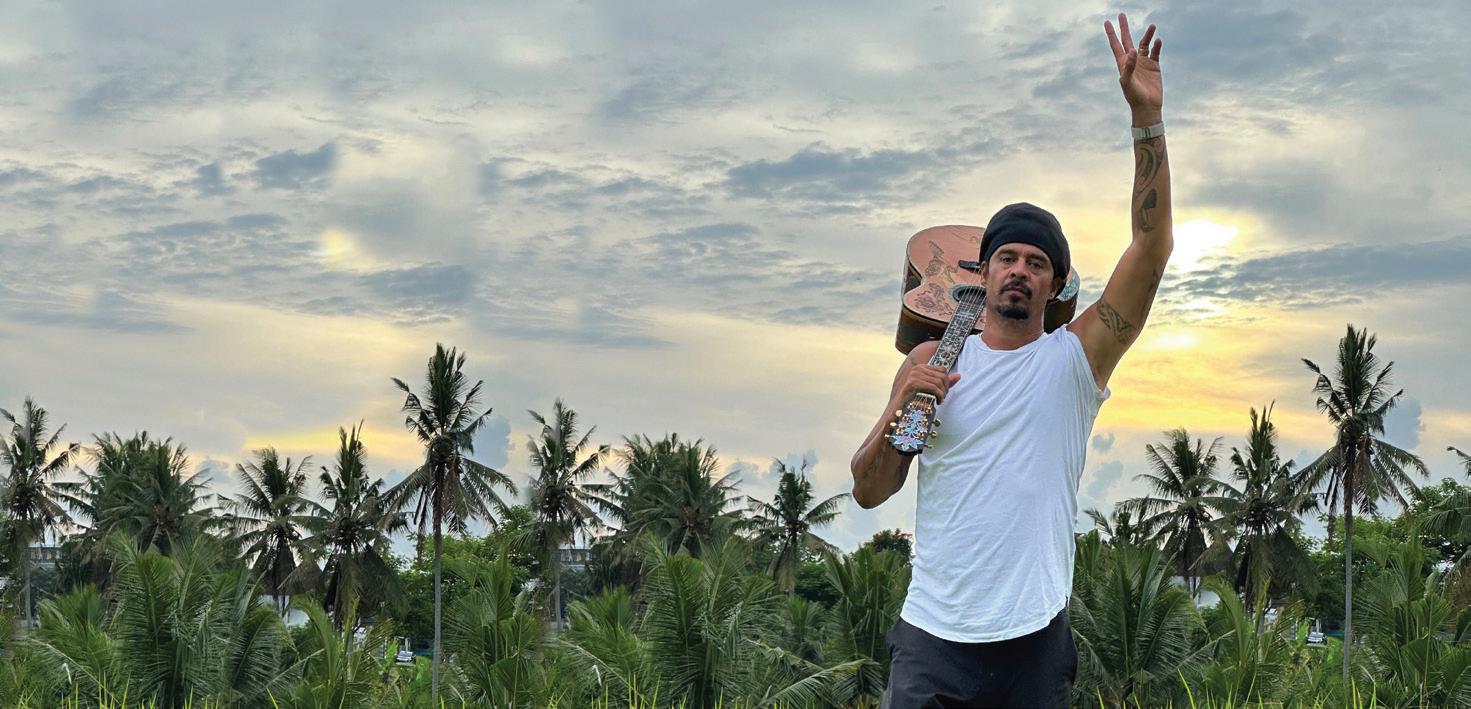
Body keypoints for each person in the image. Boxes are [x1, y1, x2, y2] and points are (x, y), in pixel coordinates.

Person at [849, 12, 1172, 708]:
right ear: (985, 272)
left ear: (1054, 285)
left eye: (1036, 262)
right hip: (932, 638)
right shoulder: (934, 359)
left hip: (1032, 639)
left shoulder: (1074, 361)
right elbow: (870, 489)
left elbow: (1150, 252)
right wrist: (903, 404)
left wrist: (1145, 121)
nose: (1020, 269)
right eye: (1007, 257)